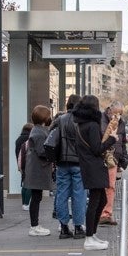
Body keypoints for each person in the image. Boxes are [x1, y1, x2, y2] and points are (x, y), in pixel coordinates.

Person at [72, 95, 116, 250]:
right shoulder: (91, 125)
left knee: (101, 200)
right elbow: (97, 149)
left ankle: (92, 233)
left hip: (88, 166)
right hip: (94, 167)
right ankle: (89, 238)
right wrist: (112, 139)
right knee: (95, 202)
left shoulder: (80, 125)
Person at [50, 94, 87, 239]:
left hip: (62, 163)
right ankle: (78, 227)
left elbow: (51, 135)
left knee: (62, 194)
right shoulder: (81, 121)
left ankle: (64, 227)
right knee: (79, 195)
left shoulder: (60, 119)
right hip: (78, 163)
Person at [23, 105, 54, 236]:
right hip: (38, 169)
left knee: (36, 197)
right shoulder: (40, 132)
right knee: (36, 198)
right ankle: (34, 226)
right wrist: (53, 156)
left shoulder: (36, 130)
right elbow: (43, 151)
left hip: (35, 169)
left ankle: (35, 225)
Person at [99, 101, 128, 226]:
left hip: (114, 159)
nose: (117, 116)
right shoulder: (101, 120)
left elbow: (122, 143)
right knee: (101, 187)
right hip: (102, 157)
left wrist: (124, 159)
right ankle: (100, 213)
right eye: (116, 113)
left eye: (120, 113)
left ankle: (106, 214)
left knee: (111, 187)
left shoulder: (121, 124)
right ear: (110, 110)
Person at [15, 123, 34, 210]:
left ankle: (24, 203)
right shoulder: (29, 139)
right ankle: (26, 203)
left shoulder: (18, 139)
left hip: (21, 164)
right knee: (29, 184)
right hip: (29, 164)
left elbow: (17, 153)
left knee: (24, 183)